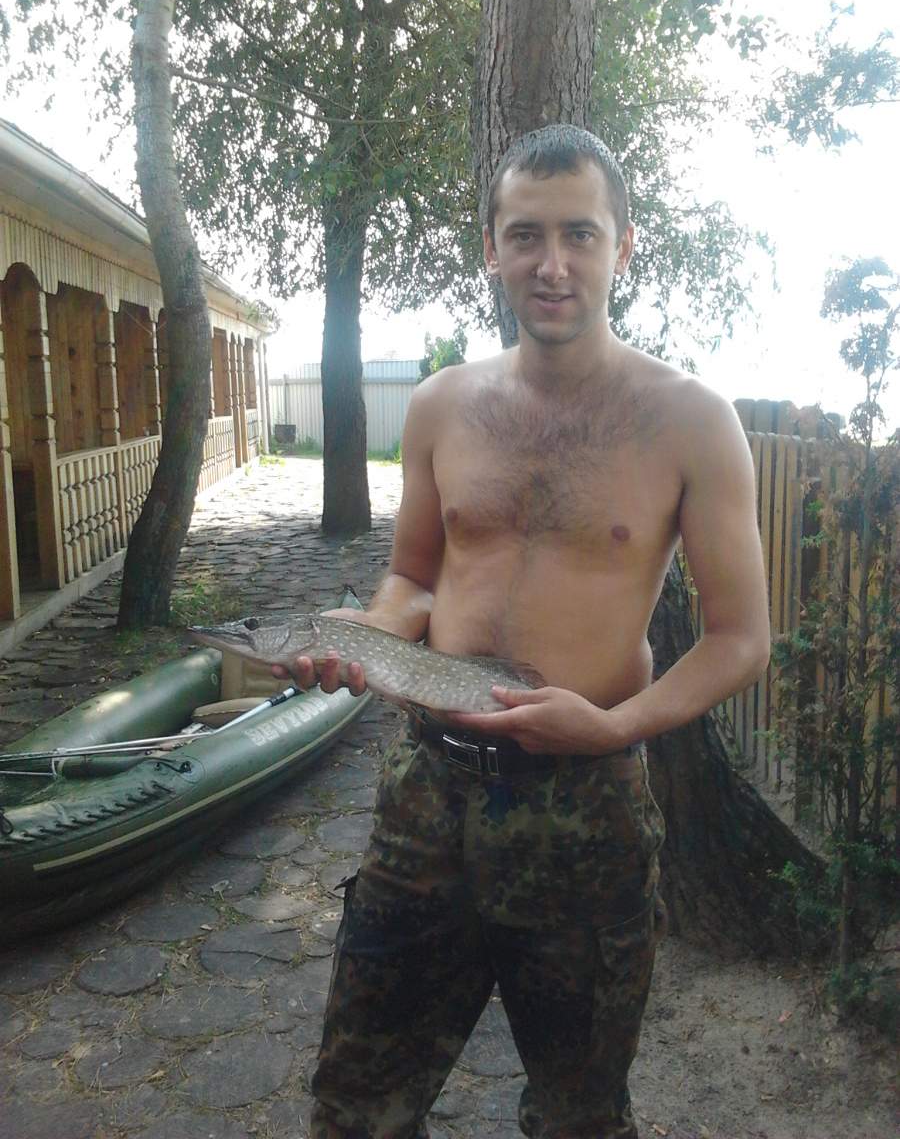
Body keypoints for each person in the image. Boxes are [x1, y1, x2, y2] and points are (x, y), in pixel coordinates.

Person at [280, 124, 771, 1139]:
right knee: (357, 1109)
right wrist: (367, 634)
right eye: (526, 236)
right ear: (492, 250)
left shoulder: (691, 421)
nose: (553, 265)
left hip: (586, 810)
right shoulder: (441, 405)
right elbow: (414, 577)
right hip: (427, 796)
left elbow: (739, 637)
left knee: (579, 1117)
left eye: (580, 235)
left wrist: (616, 726)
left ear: (622, 245)